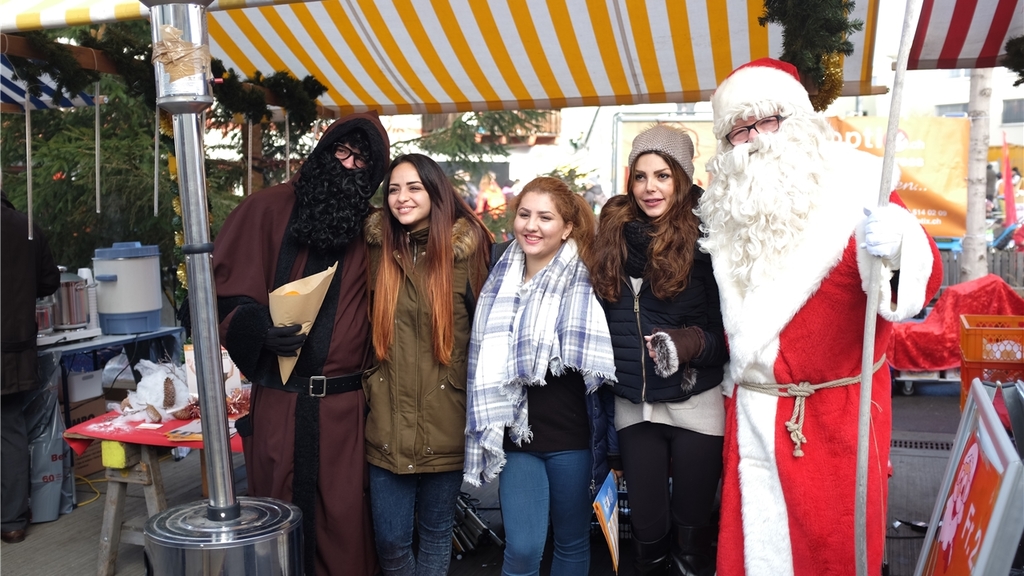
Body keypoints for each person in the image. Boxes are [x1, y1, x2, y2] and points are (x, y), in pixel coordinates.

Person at [698, 58, 943, 576]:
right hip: (752, 419)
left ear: (799, 122)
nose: (755, 140)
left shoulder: (858, 190)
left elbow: (924, 281)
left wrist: (901, 245)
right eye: (739, 130)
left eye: (768, 121)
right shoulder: (726, 219)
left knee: (833, 555)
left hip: (836, 423)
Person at [212, 111, 389, 576]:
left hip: (346, 412)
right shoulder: (267, 208)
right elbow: (225, 289)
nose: (348, 165)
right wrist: (255, 329)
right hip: (280, 407)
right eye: (342, 151)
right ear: (324, 149)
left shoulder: (376, 230)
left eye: (362, 162)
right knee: (277, 522)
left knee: (345, 524)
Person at [589, 125, 729, 576]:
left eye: (663, 176)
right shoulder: (610, 238)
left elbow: (727, 337)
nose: (650, 188)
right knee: (646, 539)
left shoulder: (708, 241)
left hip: (696, 403)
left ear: (682, 180)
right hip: (635, 408)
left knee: (692, 536)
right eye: (641, 176)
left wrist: (684, 344)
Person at [464, 177, 618, 576]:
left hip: (573, 439)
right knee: (523, 549)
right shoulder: (498, 272)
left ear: (566, 227)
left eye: (545, 217)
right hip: (519, 439)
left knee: (571, 543)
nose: (531, 226)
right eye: (525, 215)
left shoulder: (591, 277)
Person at [362, 153, 492, 575]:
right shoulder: (375, 250)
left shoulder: (467, 253)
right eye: (394, 189)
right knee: (391, 541)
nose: (401, 198)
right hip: (387, 417)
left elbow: (488, 333)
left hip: (446, 416)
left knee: (436, 533)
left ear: (436, 193)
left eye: (413, 187)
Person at [1, 190, 60, 544]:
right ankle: (10, 522)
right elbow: (50, 282)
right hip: (14, 349)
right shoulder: (25, 225)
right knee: (9, 428)